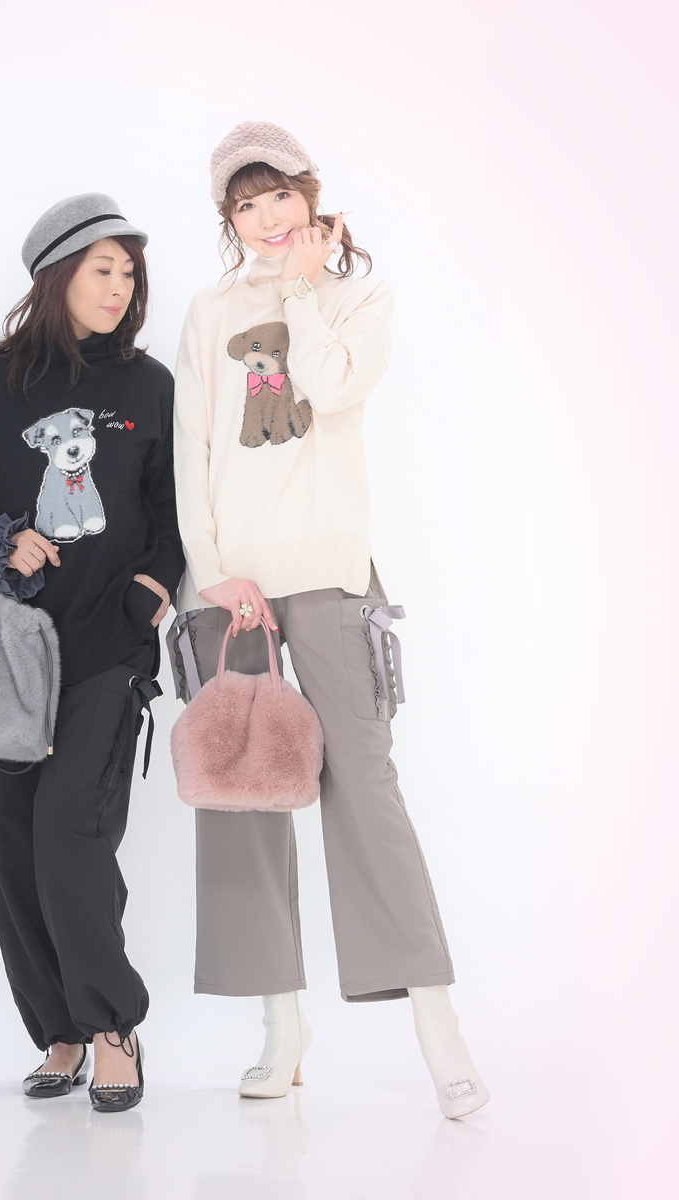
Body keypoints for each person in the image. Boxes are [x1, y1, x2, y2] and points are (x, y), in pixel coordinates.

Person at [169, 121, 490, 1118]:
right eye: (246, 204)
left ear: (310, 196)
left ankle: (438, 1027)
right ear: (229, 219)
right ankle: (282, 1026)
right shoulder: (209, 310)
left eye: (280, 196)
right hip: (234, 588)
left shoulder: (360, 296)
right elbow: (193, 446)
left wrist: (305, 290)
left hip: (330, 574)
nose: (267, 218)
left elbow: (333, 384)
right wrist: (211, 571)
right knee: (244, 798)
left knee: (366, 788)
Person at [0, 194, 183, 1113]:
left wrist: (151, 591)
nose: (118, 288)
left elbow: (174, 512)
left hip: (109, 645)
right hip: (11, 648)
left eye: (128, 272)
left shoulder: (149, 387)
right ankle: (60, 1032)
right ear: (56, 276)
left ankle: (112, 1027)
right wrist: (2, 540)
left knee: (72, 828)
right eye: (101, 269)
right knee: (14, 839)